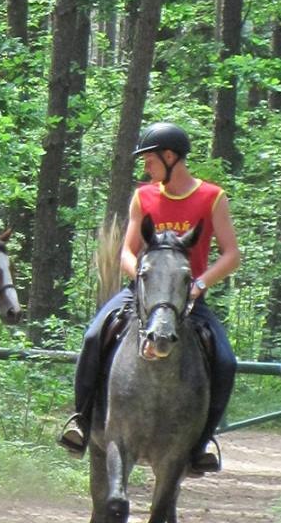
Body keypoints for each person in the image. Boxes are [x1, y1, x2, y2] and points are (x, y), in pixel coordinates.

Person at [59, 122, 240, 476]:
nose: (146, 168)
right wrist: (141, 276)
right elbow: (127, 251)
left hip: (187, 298)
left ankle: (202, 441)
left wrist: (200, 283)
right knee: (94, 336)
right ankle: (81, 420)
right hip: (140, 294)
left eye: (150, 161)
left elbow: (231, 254)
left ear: (170, 157)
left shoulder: (212, 197)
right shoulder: (144, 197)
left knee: (226, 360)